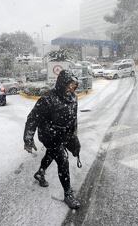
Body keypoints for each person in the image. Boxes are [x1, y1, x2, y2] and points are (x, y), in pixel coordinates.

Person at [23, 69, 81, 209]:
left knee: (51, 153)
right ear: (62, 84)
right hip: (48, 134)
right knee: (62, 159)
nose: (71, 88)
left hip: (63, 134)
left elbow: (73, 119)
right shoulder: (48, 99)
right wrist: (28, 138)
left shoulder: (73, 97)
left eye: (73, 85)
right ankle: (68, 194)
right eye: (69, 85)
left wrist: (74, 138)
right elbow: (32, 118)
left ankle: (40, 172)